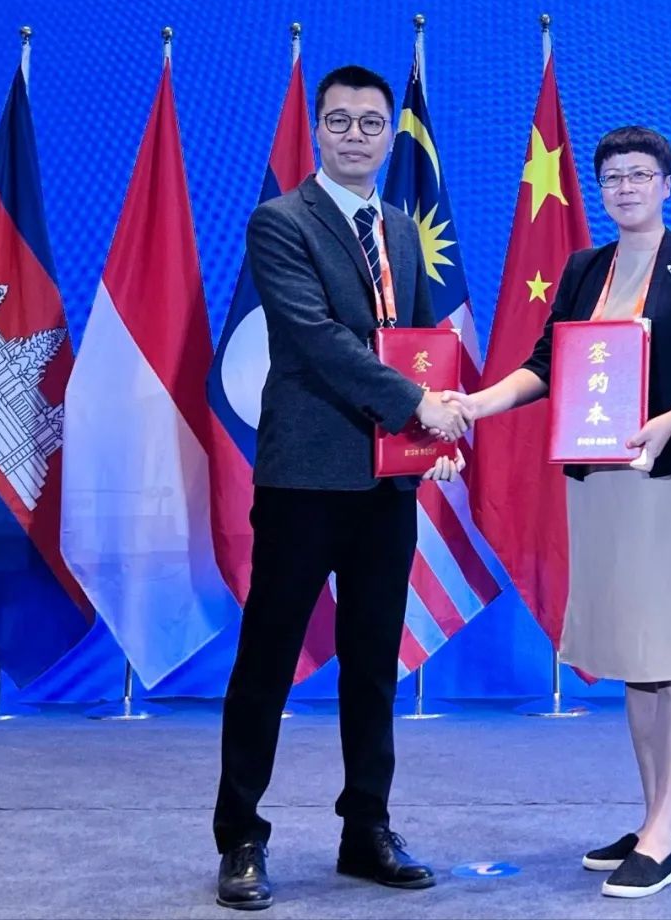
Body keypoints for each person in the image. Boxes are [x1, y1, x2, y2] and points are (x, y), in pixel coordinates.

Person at [455, 125, 671, 900]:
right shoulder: (584, 268)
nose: (626, 187)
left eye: (640, 174)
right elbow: (547, 365)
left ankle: (664, 832)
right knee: (636, 653)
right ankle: (659, 818)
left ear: (667, 184)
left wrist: (669, 422)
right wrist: (477, 404)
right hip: (602, 483)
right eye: (614, 177)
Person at [213, 64, 468, 910]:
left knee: (372, 664)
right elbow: (316, 338)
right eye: (339, 121)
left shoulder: (400, 229)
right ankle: (241, 836)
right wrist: (418, 406)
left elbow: (416, 346)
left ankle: (367, 829)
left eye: (369, 122)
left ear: (390, 134)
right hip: (305, 478)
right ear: (316, 130)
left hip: (387, 483)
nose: (355, 135)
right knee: (268, 659)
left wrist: (432, 438)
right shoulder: (280, 221)